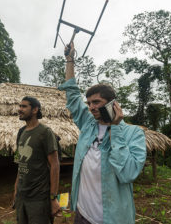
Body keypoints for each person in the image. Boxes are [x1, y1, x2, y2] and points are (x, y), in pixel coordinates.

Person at [58, 43, 147, 224]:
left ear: (112, 103)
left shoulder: (133, 133)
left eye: (96, 102)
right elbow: (73, 96)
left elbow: (129, 174)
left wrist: (115, 128)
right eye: (89, 102)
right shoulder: (89, 124)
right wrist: (70, 60)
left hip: (111, 218)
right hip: (82, 213)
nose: (91, 107)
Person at [13, 96, 61, 224]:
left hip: (39, 197)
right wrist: (16, 189)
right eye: (20, 106)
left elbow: (55, 165)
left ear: (35, 110)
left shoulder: (45, 132)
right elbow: (21, 163)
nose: (20, 109)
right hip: (22, 196)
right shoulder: (21, 132)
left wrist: (53, 198)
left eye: (24, 106)